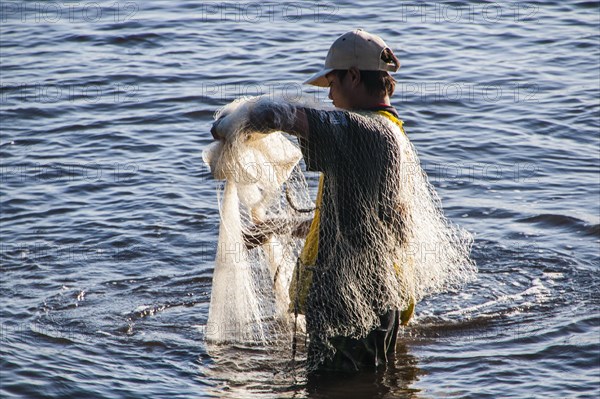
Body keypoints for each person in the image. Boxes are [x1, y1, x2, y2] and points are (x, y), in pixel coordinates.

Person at [211, 29, 415, 372]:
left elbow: (277, 116)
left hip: (351, 308)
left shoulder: (361, 131)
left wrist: (226, 127)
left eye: (332, 83)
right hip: (377, 299)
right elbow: (356, 220)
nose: (331, 96)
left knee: (335, 387)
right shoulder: (391, 130)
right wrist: (283, 228)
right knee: (375, 383)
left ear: (353, 76)